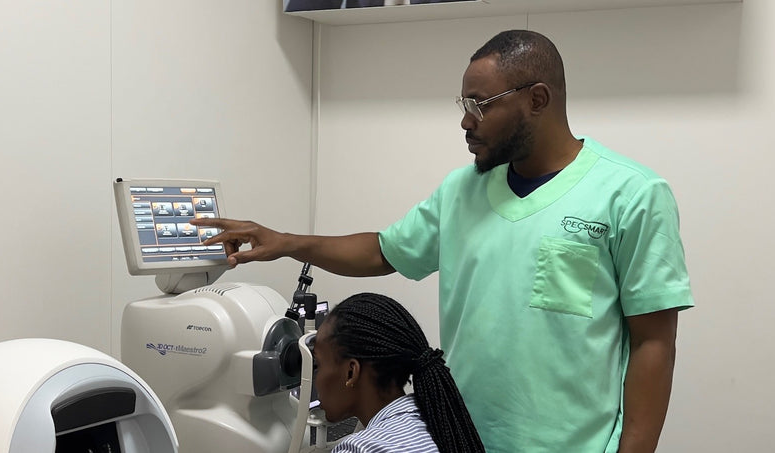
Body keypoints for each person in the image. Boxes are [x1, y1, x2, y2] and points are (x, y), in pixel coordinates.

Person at [191, 29, 694, 452]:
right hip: (459, 441)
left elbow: (654, 342)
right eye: (463, 104)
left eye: (480, 105)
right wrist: (285, 242)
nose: (466, 120)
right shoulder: (461, 192)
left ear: (537, 100)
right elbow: (381, 251)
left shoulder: (632, 195)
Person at [313, 292, 484, 452]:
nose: (315, 378)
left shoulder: (360, 448)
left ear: (351, 373)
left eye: (318, 365)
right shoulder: (442, 423)